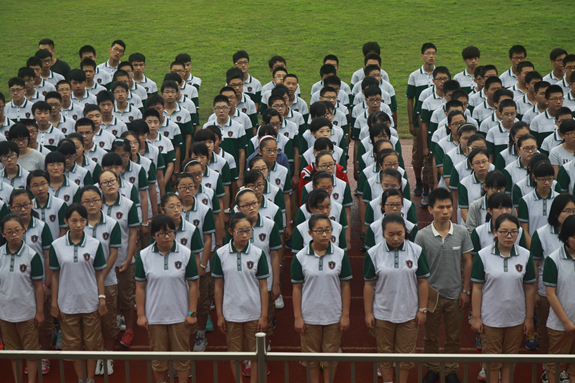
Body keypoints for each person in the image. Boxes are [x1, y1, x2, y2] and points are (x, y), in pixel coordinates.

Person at [415, 188, 473, 383]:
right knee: (430, 337)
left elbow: (467, 261)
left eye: (449, 206)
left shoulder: (462, 232)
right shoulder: (422, 236)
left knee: (454, 337)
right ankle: (432, 369)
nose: (446, 210)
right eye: (440, 207)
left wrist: (466, 290)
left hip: (455, 294)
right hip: (431, 296)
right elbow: (419, 270)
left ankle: (450, 370)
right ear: (430, 209)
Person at [471, 213, 536, 383]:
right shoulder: (483, 255)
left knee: (509, 361)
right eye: (504, 232)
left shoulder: (525, 255)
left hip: (515, 318)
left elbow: (529, 289)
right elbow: (477, 287)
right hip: (491, 319)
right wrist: (476, 317)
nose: (509, 236)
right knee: (492, 363)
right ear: (495, 232)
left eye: (513, 232)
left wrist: (529, 318)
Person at [364, 213, 429, 383]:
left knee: (405, 355)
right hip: (383, 313)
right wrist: (368, 312)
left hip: (409, 313)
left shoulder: (416, 250)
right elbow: (369, 285)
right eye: (390, 234)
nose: (395, 238)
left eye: (399, 233)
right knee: (385, 353)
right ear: (383, 233)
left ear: (405, 231)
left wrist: (422, 309)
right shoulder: (373, 253)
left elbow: (423, 282)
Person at [135, 214, 199, 383]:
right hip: (155, 316)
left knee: (182, 356)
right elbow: (140, 287)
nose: (167, 237)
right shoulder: (143, 255)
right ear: (153, 235)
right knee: (159, 358)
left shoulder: (186, 253)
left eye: (170, 232)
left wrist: (192, 312)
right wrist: (141, 315)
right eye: (161, 234)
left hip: (180, 315)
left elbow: (193, 284)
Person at [49, 203, 107, 383]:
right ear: (66, 221)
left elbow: (99, 274)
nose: (78, 224)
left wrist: (102, 299)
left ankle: (90, 379)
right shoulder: (56, 245)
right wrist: (54, 303)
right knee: (72, 346)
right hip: (67, 304)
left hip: (90, 302)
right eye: (74, 220)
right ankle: (81, 379)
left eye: (82, 220)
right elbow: (55, 276)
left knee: (92, 345)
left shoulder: (95, 244)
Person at [292, 213, 351, 383]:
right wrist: (298, 317)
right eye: (320, 231)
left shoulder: (340, 254)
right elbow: (296, 288)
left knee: (330, 358)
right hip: (309, 316)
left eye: (328, 230)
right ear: (310, 233)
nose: (325, 234)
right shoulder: (300, 257)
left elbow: (345, 285)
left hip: (333, 315)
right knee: (311, 359)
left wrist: (345, 314)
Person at [212, 212, 269, 383]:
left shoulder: (258, 254)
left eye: (248, 230)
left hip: (254, 312)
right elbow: (218, 286)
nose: (245, 235)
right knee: (235, 354)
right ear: (231, 231)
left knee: (256, 354)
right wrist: (220, 315)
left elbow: (263, 286)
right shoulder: (221, 254)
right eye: (240, 231)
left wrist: (264, 316)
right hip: (231, 313)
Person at [233, 188, 282, 374]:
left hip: (264, 283)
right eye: (246, 205)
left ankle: (262, 354)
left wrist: (275, 283)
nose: (252, 207)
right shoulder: (235, 227)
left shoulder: (269, 225)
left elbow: (276, 256)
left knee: (264, 321)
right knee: (245, 321)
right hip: (241, 284)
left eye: (254, 203)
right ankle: (247, 357)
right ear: (238, 208)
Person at [79, 186, 121, 376]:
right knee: (90, 322)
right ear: (81, 204)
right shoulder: (78, 224)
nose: (91, 204)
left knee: (108, 320)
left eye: (95, 200)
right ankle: (95, 357)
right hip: (84, 282)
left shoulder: (112, 224)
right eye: (87, 201)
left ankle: (108, 356)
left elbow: (113, 253)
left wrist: (101, 276)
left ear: (101, 200)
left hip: (108, 279)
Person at [173, 173, 216, 349]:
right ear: (177, 189)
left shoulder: (204, 210)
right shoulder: (172, 208)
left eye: (190, 186)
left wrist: (202, 264)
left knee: (202, 300)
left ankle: (200, 333)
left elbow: (208, 239)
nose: (187, 190)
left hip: (199, 263)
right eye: (183, 187)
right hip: (177, 265)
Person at [0, 213, 45, 383]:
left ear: (23, 230)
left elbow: (39, 287)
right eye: (9, 231)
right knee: (14, 353)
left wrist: (40, 312)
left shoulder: (32, 256)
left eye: (17, 230)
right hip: (5, 313)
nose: (13, 234)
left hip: (27, 313)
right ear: (3, 234)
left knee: (30, 352)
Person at [530, 194, 575, 361]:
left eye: (574, 211)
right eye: (567, 211)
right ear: (556, 213)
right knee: (546, 331)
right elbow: (534, 264)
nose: (571, 214)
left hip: (570, 291)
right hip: (547, 291)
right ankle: (546, 367)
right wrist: (534, 292)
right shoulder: (541, 233)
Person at [98, 170, 139, 349]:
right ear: (100, 186)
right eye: (105, 182)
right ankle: (110, 330)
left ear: (118, 182)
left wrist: (129, 258)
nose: (109, 184)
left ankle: (129, 329)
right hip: (102, 260)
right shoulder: (95, 204)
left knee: (126, 297)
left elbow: (132, 234)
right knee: (107, 298)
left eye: (112, 181)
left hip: (123, 258)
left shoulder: (128, 204)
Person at [542, 214, 575, 383]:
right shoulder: (553, 260)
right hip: (560, 324)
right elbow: (550, 294)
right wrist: (566, 321)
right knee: (555, 365)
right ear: (565, 236)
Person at [518, 160, 559, 248]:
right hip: (533, 243)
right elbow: (524, 230)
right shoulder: (525, 201)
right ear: (535, 178)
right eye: (543, 179)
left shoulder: (559, 199)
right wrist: (533, 249)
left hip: (555, 245)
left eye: (550, 179)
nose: (547, 183)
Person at [28, 170, 67, 239]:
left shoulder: (60, 204)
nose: (40, 188)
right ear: (29, 187)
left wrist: (56, 246)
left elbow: (64, 229)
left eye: (43, 184)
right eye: (35, 185)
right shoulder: (29, 206)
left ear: (48, 183)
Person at [457, 148, 491, 223]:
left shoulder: (496, 179)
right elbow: (464, 212)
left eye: (484, 161)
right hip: (471, 226)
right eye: (477, 163)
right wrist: (474, 229)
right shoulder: (464, 183)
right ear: (471, 165)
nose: (481, 165)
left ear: (489, 161)